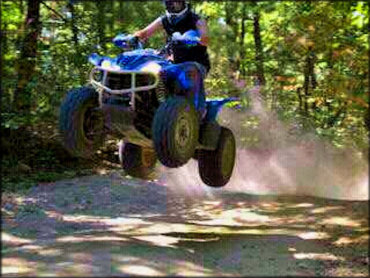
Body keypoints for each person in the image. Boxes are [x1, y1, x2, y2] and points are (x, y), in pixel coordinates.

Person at [133, 0, 210, 117]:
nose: (173, 6)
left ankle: (198, 111)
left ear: (184, 3)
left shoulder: (197, 20)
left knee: (190, 70)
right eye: (170, 3)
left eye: (177, 3)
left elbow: (205, 39)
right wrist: (132, 37)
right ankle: (152, 105)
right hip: (173, 63)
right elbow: (144, 33)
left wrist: (193, 38)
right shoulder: (164, 20)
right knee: (153, 69)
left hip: (197, 63)